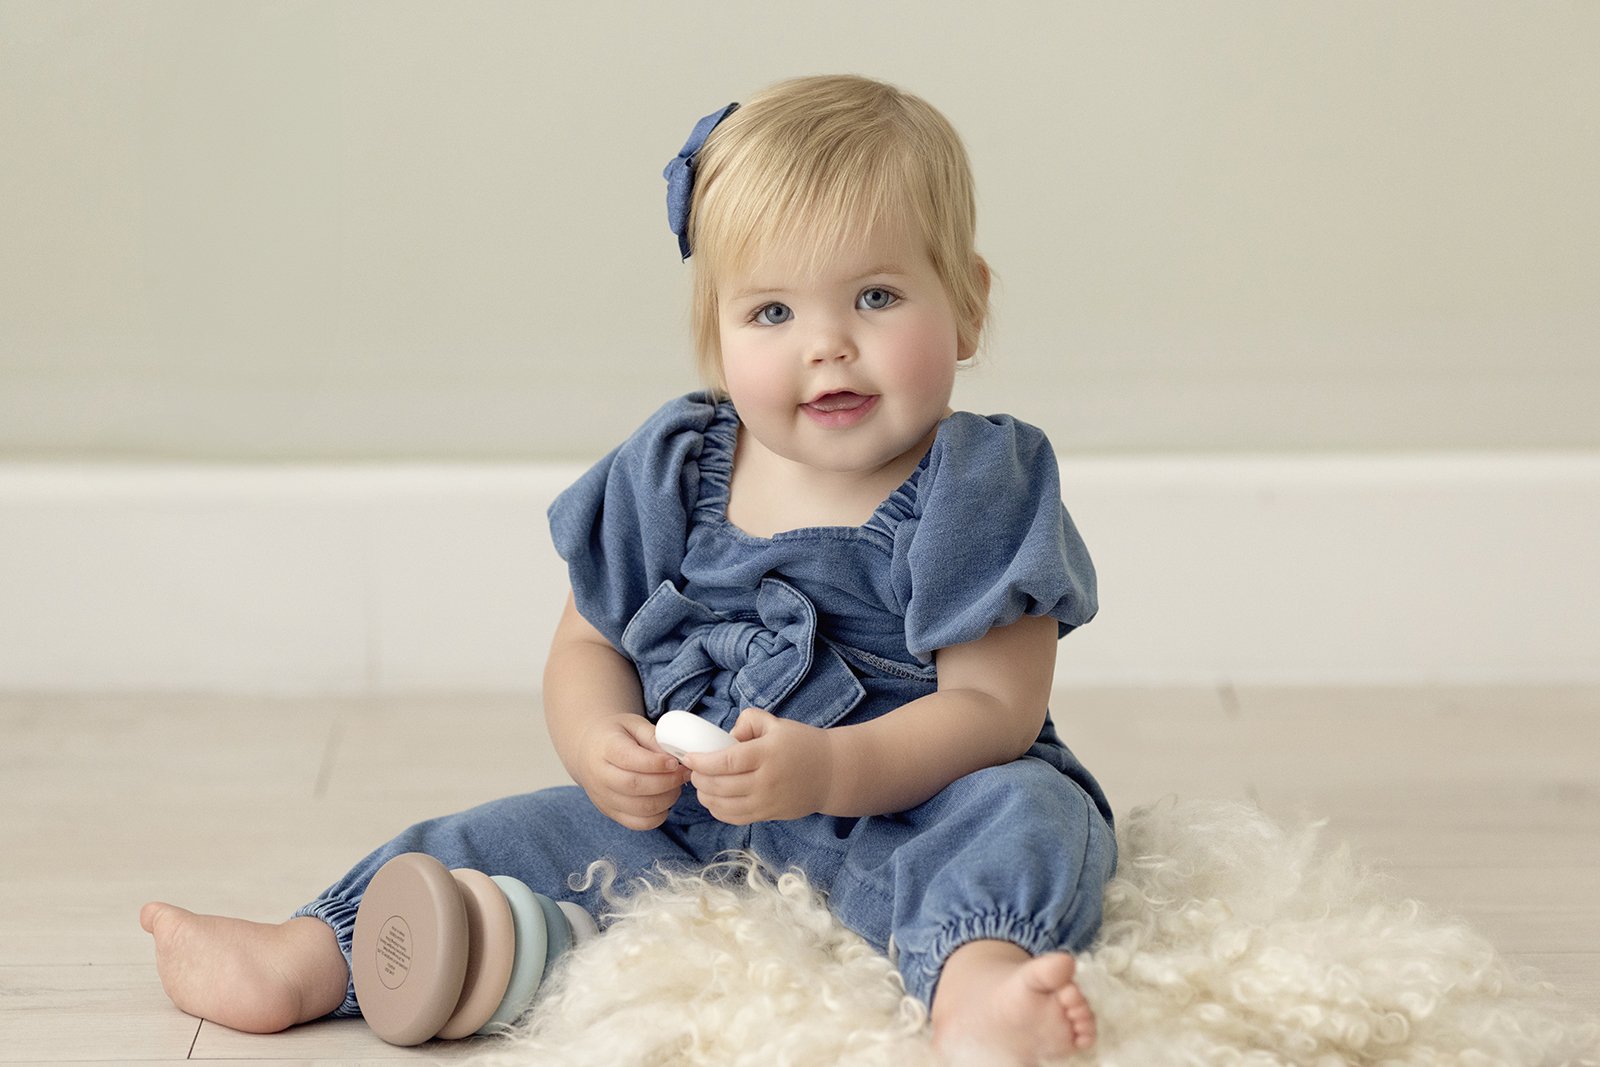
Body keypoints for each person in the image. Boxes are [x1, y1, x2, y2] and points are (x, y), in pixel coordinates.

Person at [140, 74, 1117, 1064]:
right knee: (500, 838)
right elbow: (586, 644)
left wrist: (829, 768)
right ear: (714, 333)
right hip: (688, 816)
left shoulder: (979, 483)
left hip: (908, 808)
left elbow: (993, 708)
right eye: (772, 311)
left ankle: (978, 979)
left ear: (967, 306)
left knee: (1030, 813)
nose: (826, 345)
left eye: (875, 296)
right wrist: (596, 740)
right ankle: (313, 955)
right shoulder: (674, 470)